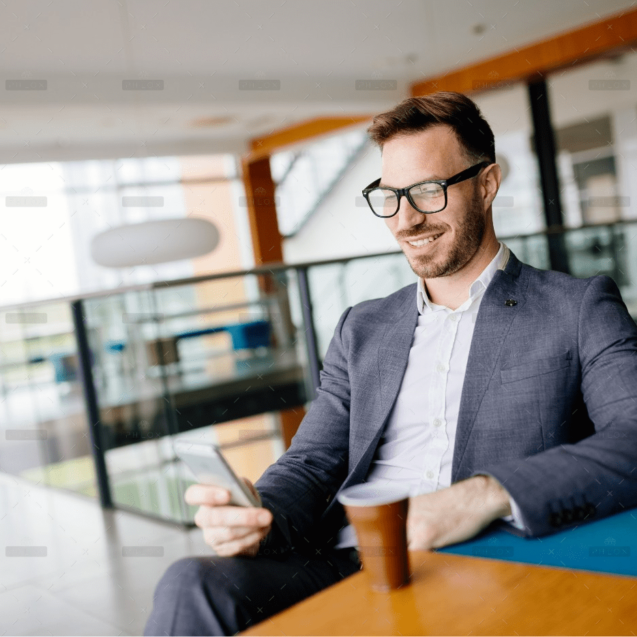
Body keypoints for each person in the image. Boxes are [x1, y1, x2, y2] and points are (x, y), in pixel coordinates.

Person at [144, 91, 637, 636]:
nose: (406, 219)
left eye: (428, 190)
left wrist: (481, 495)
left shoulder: (576, 306)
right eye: (390, 195)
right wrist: (259, 513)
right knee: (191, 583)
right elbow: (311, 463)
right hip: (348, 561)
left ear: (487, 184)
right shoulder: (363, 326)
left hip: (480, 562)